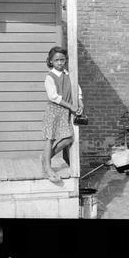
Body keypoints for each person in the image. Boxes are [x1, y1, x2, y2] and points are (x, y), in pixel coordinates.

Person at [41, 46, 84, 183]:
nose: (60, 62)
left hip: (65, 111)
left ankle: (45, 158)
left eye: (62, 60)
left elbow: (77, 90)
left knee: (69, 138)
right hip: (54, 110)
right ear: (51, 61)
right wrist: (71, 105)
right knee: (51, 138)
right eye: (56, 60)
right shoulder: (50, 77)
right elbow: (54, 97)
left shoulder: (69, 75)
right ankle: (48, 167)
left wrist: (80, 103)